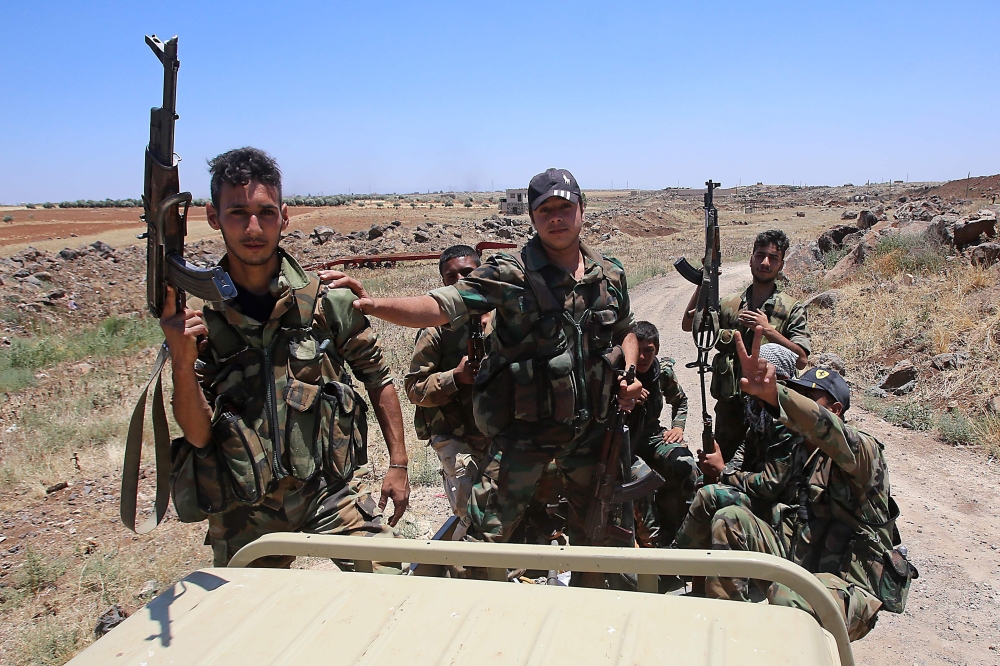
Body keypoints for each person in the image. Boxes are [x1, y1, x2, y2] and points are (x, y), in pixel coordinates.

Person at [326, 168, 643, 558]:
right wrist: (375, 304)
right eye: (546, 210)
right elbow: (439, 306)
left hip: (593, 436)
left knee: (606, 539)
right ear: (532, 217)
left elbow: (625, 330)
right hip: (524, 438)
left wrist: (628, 372)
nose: (556, 218)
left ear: (582, 209)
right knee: (483, 544)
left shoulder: (609, 274)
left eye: (565, 207)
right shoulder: (509, 273)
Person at [159, 147, 410, 568]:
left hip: (328, 491)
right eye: (238, 212)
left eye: (266, 212)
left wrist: (398, 463)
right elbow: (199, 436)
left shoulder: (327, 302)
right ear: (212, 216)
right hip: (245, 507)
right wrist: (182, 365)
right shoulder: (199, 319)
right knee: (246, 623)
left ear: (285, 216)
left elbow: (377, 376)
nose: (253, 227)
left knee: (390, 584)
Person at [705, 326, 915, 641]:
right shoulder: (804, 452)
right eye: (797, 394)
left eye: (808, 397)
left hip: (849, 585)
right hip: (802, 559)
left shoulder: (864, 453)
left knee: (788, 597)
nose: (799, 402)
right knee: (730, 520)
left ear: (835, 410)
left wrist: (777, 395)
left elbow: (823, 427)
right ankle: (730, 636)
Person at [682, 229, 811, 462]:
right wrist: (704, 281)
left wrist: (768, 330)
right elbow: (689, 324)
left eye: (773, 258)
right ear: (750, 259)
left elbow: (801, 359)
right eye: (760, 255)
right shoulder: (729, 303)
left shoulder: (791, 309)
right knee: (721, 464)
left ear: (781, 264)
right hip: (729, 406)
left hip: (769, 408)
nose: (765, 262)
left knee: (765, 469)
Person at [673, 343, 803, 552]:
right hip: (760, 492)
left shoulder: (786, 422)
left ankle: (676, 564)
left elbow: (771, 485)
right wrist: (719, 467)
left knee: (710, 496)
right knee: (702, 482)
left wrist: (724, 472)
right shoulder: (758, 410)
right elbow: (745, 448)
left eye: (757, 374)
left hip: (783, 506)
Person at [404, 245, 494, 539]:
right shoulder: (436, 330)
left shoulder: (505, 321)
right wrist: (456, 377)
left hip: (498, 430)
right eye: (450, 276)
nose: (458, 281)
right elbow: (415, 389)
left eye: (467, 273)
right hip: (455, 435)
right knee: (468, 512)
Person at [630, 321, 698, 548]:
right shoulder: (619, 374)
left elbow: (680, 401)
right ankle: (654, 545)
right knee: (642, 479)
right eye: (638, 351)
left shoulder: (663, 373)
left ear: (656, 349)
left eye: (648, 350)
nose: (642, 357)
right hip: (624, 442)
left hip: (651, 436)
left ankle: (689, 532)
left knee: (688, 465)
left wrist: (678, 427)